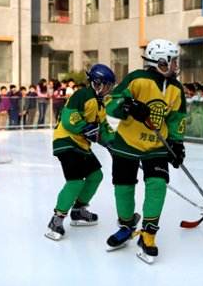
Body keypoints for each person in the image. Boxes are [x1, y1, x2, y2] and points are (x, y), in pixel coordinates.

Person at [105, 39, 186, 264]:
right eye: (173, 61)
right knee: (123, 187)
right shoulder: (137, 79)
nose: (176, 65)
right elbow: (111, 103)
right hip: (126, 143)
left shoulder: (176, 89)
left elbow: (177, 119)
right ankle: (127, 225)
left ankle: (148, 234)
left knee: (158, 185)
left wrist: (177, 145)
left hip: (157, 147)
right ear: (161, 62)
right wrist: (129, 106)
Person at [45, 64, 116, 241]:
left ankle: (78, 211)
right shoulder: (82, 95)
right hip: (66, 142)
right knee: (75, 182)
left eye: (110, 86)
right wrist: (85, 128)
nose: (108, 89)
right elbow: (69, 118)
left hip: (81, 145)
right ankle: (57, 219)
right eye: (106, 85)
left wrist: (116, 143)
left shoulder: (100, 105)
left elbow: (104, 128)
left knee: (96, 176)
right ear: (96, 83)